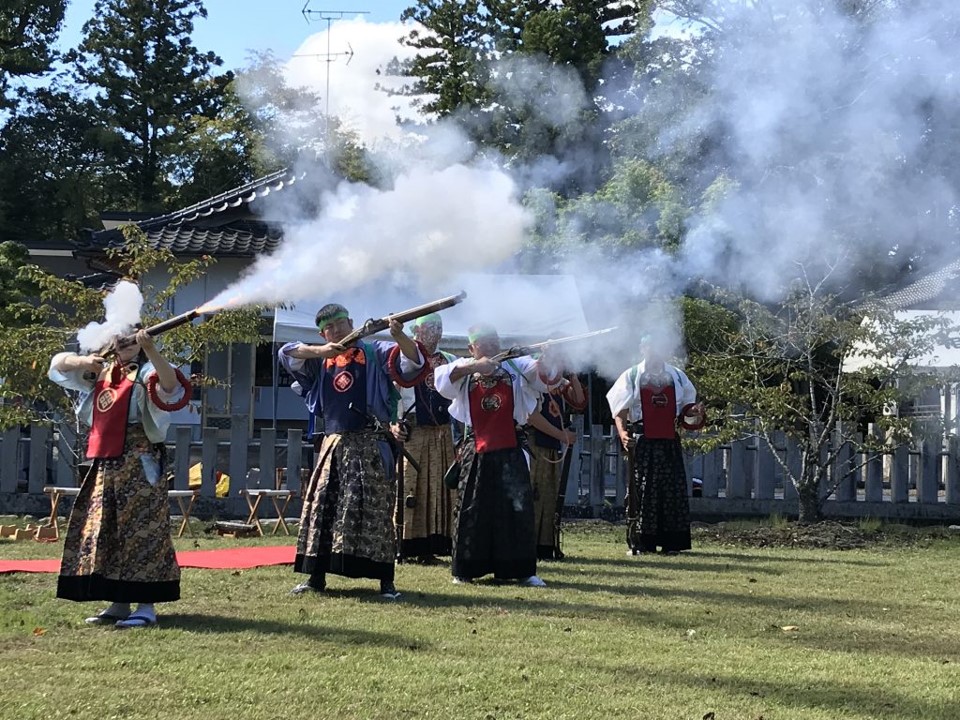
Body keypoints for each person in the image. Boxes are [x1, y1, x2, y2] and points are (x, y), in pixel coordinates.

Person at [278, 303, 425, 599]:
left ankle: (386, 582)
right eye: (330, 328)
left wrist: (400, 336)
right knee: (324, 510)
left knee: (376, 511)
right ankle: (316, 578)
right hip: (334, 443)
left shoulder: (377, 351)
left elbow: (415, 362)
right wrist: (323, 352)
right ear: (322, 333)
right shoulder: (318, 360)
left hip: (371, 442)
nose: (337, 331)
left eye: (341, 324)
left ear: (352, 323)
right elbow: (286, 352)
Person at [48, 327, 190, 628]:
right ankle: (118, 601)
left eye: (130, 339)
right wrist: (84, 362)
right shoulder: (102, 370)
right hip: (106, 461)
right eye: (119, 338)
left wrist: (151, 350)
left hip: (140, 460)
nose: (124, 343)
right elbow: (57, 365)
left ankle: (146, 605)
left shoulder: (149, 369)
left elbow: (170, 384)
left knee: (141, 529)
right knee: (107, 529)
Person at [434, 324, 575, 587]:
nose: (489, 346)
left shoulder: (518, 364)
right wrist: (476, 367)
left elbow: (546, 378)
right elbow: (441, 380)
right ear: (471, 348)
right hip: (476, 446)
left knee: (517, 509)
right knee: (472, 508)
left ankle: (522, 570)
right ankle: (465, 569)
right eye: (482, 343)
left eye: (493, 341)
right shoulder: (463, 367)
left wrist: (549, 356)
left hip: (511, 443)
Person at [606, 333, 700, 555]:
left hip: (669, 442)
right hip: (643, 442)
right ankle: (642, 543)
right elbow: (620, 410)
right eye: (649, 347)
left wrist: (694, 413)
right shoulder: (631, 376)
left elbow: (688, 410)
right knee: (643, 493)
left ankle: (672, 543)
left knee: (672, 493)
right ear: (642, 349)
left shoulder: (677, 377)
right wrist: (622, 433)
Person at [387, 313, 458, 561]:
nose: (434, 333)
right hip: (414, 428)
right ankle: (405, 545)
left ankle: (433, 544)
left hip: (442, 431)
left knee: (439, 487)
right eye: (428, 328)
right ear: (416, 332)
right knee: (410, 486)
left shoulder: (449, 359)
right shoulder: (404, 358)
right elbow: (392, 393)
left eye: (438, 327)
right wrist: (393, 423)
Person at [527, 369, 587, 560]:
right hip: (533, 443)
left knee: (548, 496)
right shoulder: (533, 379)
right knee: (533, 495)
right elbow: (532, 416)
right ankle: (527, 545)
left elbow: (579, 401)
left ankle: (545, 546)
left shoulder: (559, 383)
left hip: (550, 445)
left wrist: (574, 377)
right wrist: (562, 435)